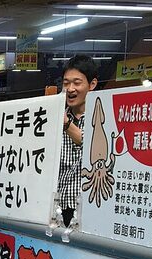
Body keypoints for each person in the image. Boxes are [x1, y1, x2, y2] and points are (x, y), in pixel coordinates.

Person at [57, 55, 98, 227]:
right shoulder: (51, 117)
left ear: (92, 84)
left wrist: (65, 122)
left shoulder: (102, 118)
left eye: (77, 82)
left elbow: (90, 144)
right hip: (56, 210)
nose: (70, 89)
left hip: (89, 212)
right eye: (66, 83)